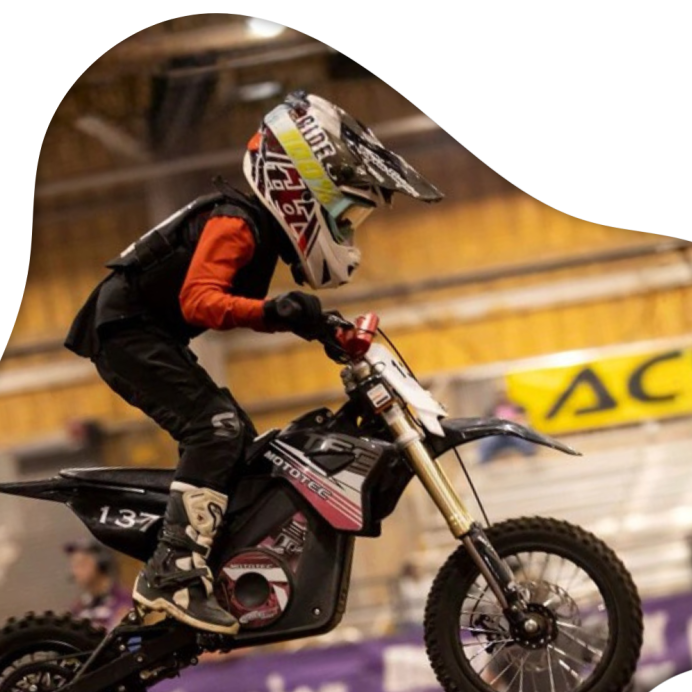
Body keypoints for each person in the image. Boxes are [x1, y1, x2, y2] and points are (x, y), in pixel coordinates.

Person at [64, 91, 443, 634]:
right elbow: (199, 300)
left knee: (236, 435)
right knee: (215, 428)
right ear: (300, 188)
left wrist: (321, 325)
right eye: (343, 211)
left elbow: (258, 309)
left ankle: (211, 561)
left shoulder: (258, 232)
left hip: (143, 333)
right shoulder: (237, 222)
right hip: (125, 333)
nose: (347, 227)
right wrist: (277, 311)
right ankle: (171, 573)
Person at [64, 540, 132, 629]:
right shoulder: (77, 609)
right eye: (74, 566)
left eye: (82, 564)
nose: (75, 572)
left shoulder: (125, 602)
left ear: (101, 564)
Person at [479, 393, 537, 463]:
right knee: (487, 441)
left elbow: (525, 417)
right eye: (500, 396)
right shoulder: (493, 409)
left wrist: (515, 419)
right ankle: (484, 460)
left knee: (523, 440)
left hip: (514, 433)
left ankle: (531, 456)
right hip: (498, 435)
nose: (502, 398)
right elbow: (486, 421)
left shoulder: (517, 407)